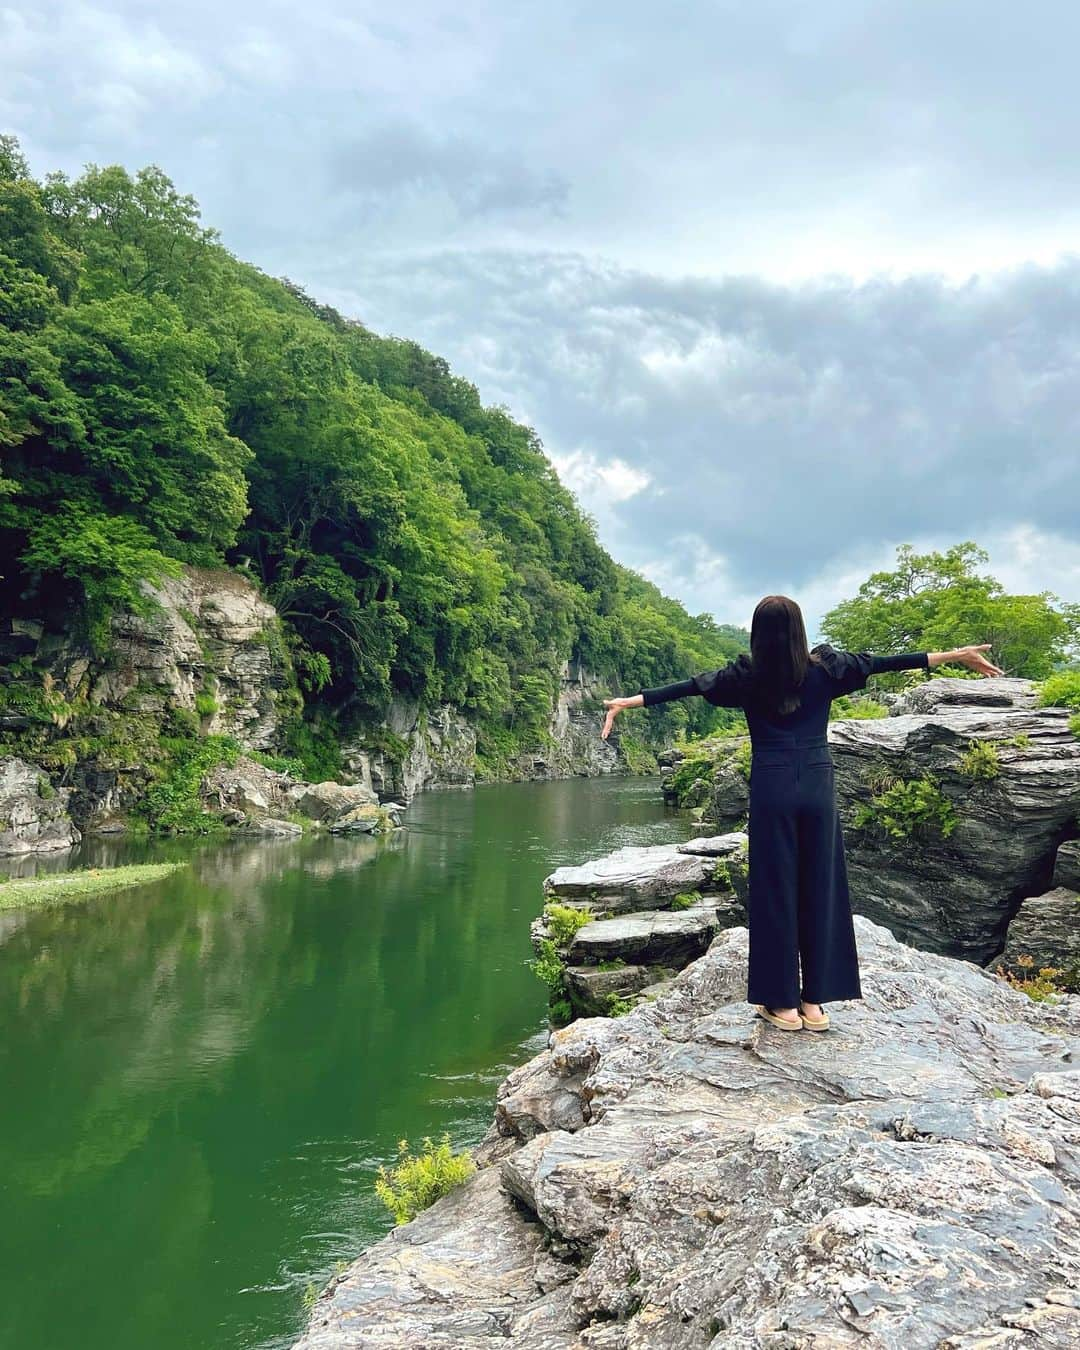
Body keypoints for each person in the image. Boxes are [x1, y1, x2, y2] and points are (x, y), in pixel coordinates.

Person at [600, 595, 1003, 1032]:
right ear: (799, 630)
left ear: (758, 634)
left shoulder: (746, 677)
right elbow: (886, 661)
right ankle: (815, 1006)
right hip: (817, 785)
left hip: (772, 786)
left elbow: (689, 686)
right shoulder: (827, 670)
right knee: (821, 888)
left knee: (775, 892)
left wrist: (629, 702)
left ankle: (783, 1007)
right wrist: (955, 655)